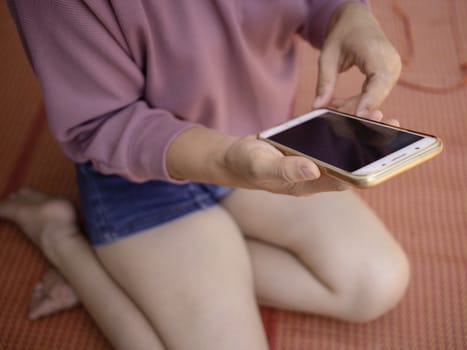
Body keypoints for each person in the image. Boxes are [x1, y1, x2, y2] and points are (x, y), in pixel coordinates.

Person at [2, 1, 409, 349]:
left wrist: (349, 13)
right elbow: (102, 122)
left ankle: (130, 269)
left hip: (261, 138)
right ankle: (62, 239)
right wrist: (227, 160)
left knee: (377, 282)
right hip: (135, 178)